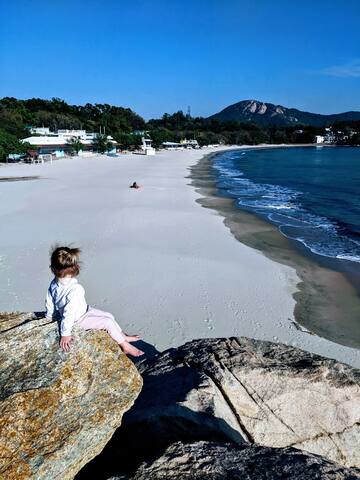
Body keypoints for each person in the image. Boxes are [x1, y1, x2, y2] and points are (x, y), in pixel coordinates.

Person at [45, 246, 144, 356]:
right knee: (108, 322)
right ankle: (125, 346)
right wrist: (65, 334)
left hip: (85, 310)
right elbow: (69, 313)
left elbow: (49, 300)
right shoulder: (75, 289)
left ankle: (122, 336)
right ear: (75, 267)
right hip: (79, 319)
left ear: (52, 269)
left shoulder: (53, 283)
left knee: (109, 315)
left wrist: (50, 315)